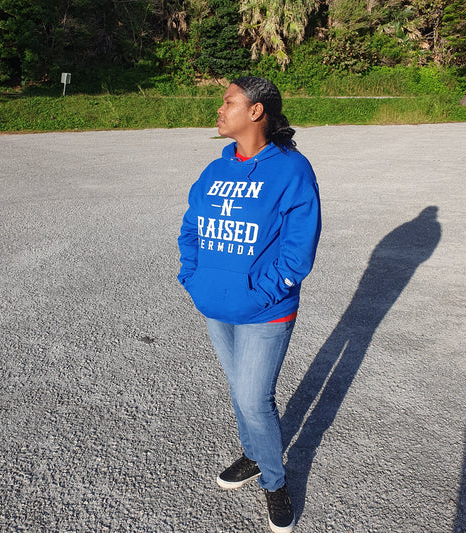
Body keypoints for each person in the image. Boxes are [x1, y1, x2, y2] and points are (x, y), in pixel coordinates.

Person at [177, 76, 321, 533]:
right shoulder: (214, 170)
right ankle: (254, 455)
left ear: (256, 111)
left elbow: (298, 250)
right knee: (240, 390)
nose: (219, 110)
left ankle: (275, 482)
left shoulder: (292, 170)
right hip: (215, 305)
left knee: (254, 399)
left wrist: (263, 291)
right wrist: (192, 277)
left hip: (265, 309)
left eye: (228, 102)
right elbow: (191, 226)